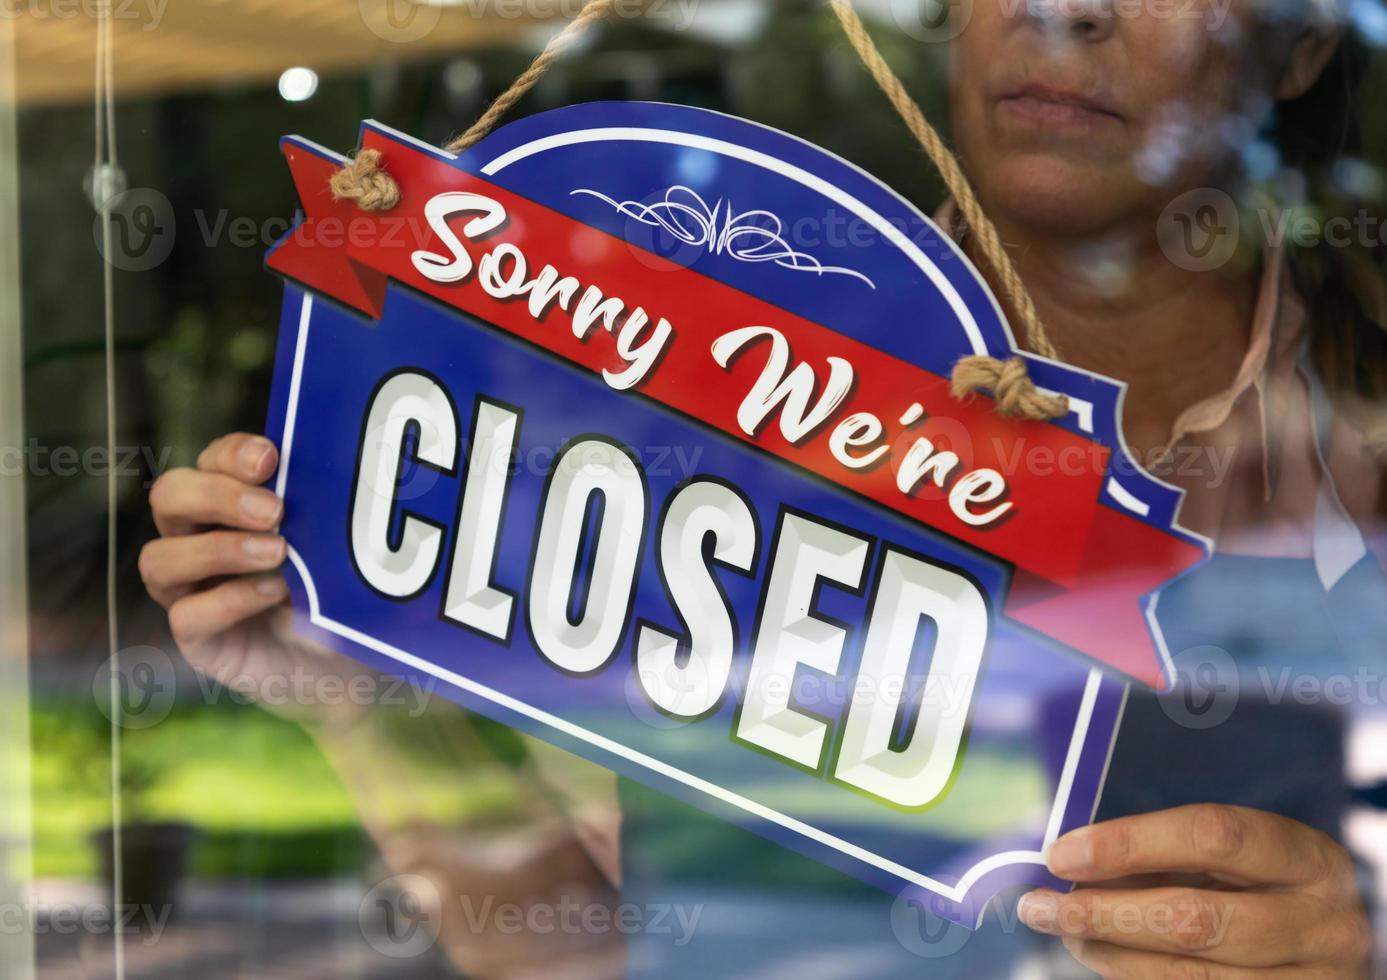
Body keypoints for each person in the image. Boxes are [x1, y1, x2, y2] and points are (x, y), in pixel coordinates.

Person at [139, 0, 1383, 974]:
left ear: (1307, 41)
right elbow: (582, 950)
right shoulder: (706, 389)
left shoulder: (1353, 426)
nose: (1065, 8)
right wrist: (356, 699)